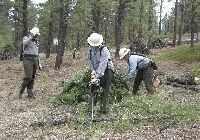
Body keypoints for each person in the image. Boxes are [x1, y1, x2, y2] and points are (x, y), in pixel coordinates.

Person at [87, 33, 114, 114]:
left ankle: (103, 110)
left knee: (105, 90)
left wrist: (97, 76)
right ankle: (90, 109)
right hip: (96, 70)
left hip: (107, 70)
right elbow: (89, 61)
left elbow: (103, 65)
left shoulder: (104, 50)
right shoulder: (89, 49)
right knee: (93, 87)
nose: (94, 47)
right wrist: (93, 73)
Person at [18, 27, 41, 99]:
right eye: (35, 34)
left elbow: (37, 53)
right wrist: (31, 37)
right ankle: (21, 91)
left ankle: (30, 92)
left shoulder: (36, 41)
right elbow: (24, 43)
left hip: (35, 59)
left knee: (32, 77)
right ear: (32, 33)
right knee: (28, 76)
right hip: (27, 59)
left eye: (37, 35)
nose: (36, 36)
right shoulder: (26, 38)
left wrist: (39, 63)